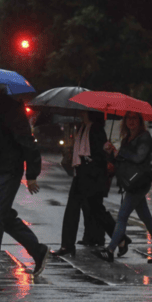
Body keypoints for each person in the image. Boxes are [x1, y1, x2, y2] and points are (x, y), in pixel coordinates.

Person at [0, 83, 49, 278]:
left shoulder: (12, 110)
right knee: (4, 217)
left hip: (9, 170)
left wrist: (31, 174)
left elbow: (26, 141)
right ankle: (38, 250)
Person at [95, 111, 152, 264]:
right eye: (128, 118)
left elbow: (138, 157)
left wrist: (119, 153)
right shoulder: (127, 139)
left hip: (139, 182)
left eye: (134, 118)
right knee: (146, 218)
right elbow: (120, 163)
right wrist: (110, 153)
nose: (131, 121)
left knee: (122, 216)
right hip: (131, 182)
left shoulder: (144, 137)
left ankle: (110, 250)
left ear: (140, 120)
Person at [54, 110, 113, 257]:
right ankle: (67, 245)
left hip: (90, 174)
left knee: (90, 208)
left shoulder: (95, 128)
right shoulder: (82, 127)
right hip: (82, 172)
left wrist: (104, 150)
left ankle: (120, 237)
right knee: (81, 208)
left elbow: (98, 154)